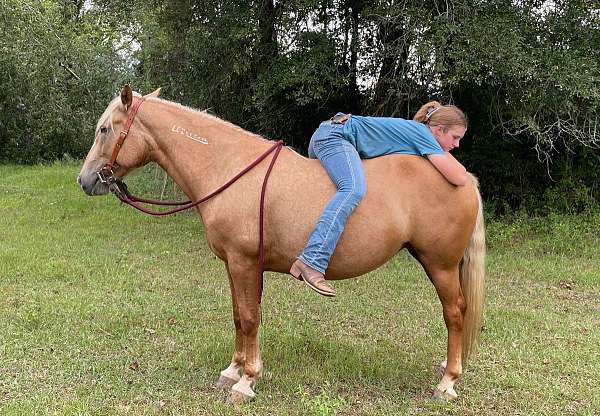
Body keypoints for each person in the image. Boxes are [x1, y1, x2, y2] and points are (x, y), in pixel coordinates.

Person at [290, 101, 469, 297]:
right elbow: (460, 177)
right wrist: (443, 152)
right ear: (439, 130)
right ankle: (312, 260)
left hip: (330, 133)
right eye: (455, 137)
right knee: (352, 189)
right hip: (335, 136)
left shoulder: (420, 133)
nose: (457, 144)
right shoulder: (424, 135)